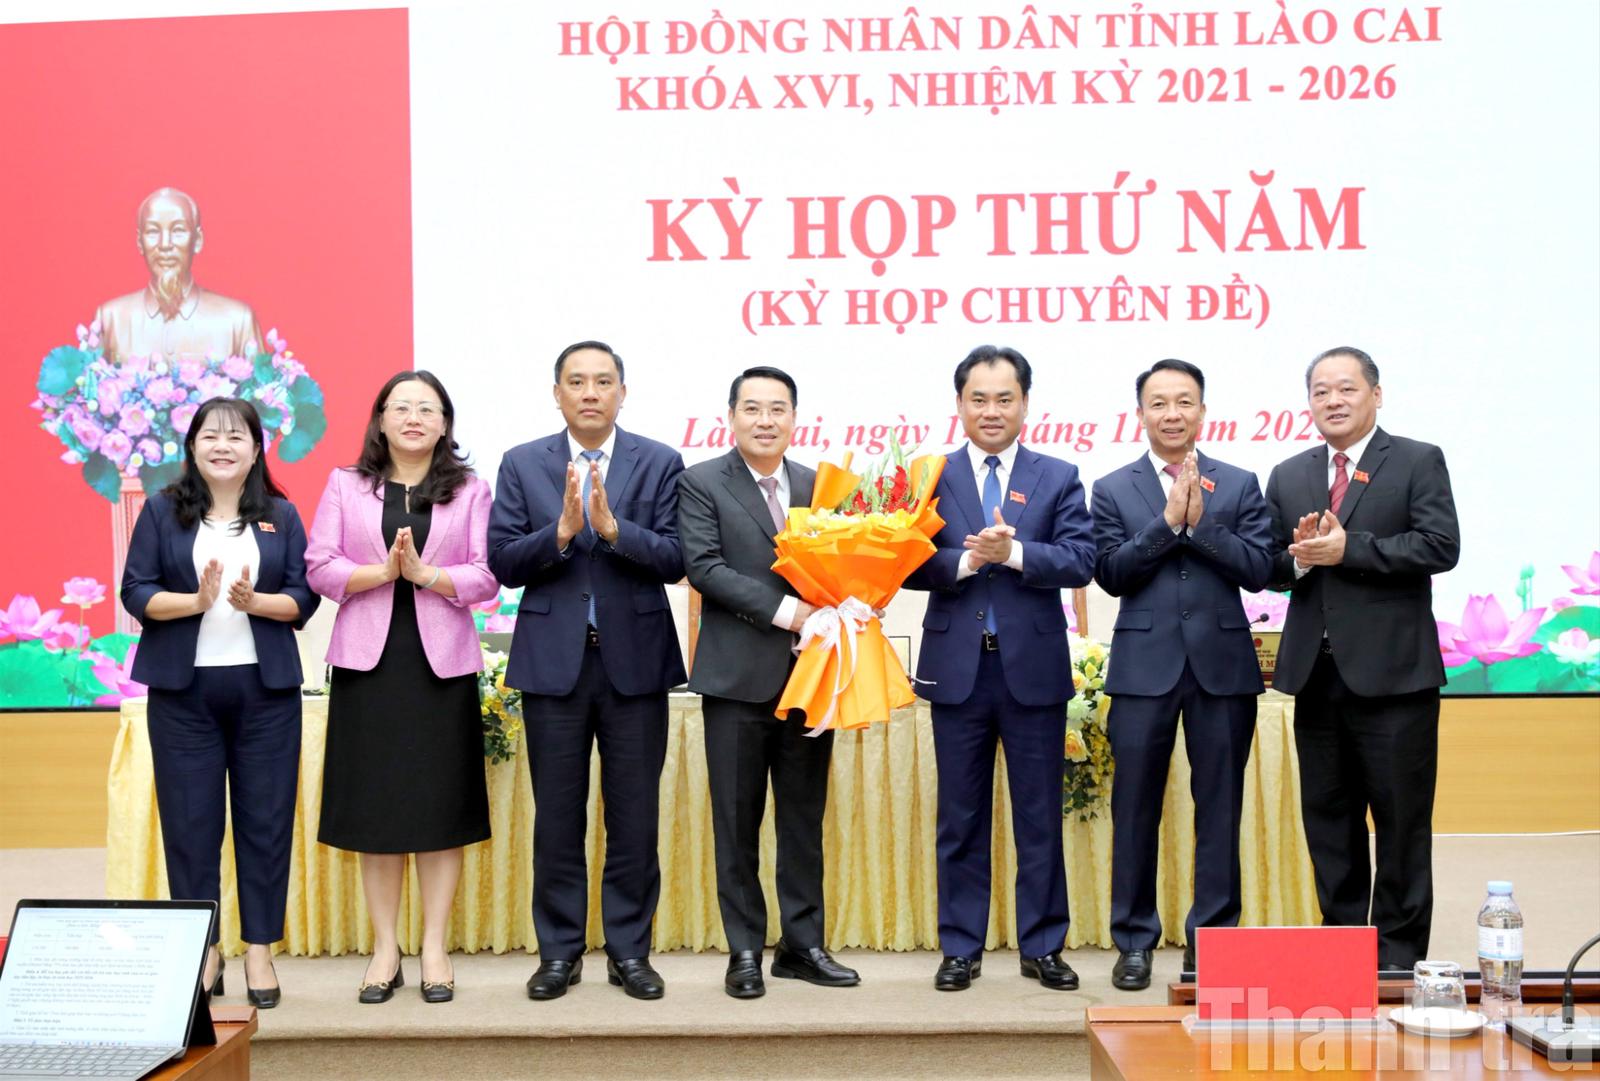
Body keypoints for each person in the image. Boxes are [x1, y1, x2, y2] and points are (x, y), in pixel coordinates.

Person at [487, 341, 686, 1001]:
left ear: (622, 392)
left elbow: (676, 559)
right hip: (554, 666)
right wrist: (562, 532)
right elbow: (503, 561)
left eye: (603, 381)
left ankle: (629, 952)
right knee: (557, 817)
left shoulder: (659, 461)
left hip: (636, 663)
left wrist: (615, 528)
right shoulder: (522, 462)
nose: (591, 392)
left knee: (634, 816)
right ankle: (560, 952)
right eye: (577, 381)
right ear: (558, 393)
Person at [904, 345, 1095, 992]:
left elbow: (1080, 559)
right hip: (957, 669)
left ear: (1025, 404)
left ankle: (1043, 945)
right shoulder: (931, 475)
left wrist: (1012, 553)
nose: (991, 410)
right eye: (978, 398)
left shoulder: (1058, 475)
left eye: (1004, 398)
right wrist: (966, 560)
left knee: (1038, 815)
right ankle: (960, 947)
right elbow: (906, 562)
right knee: (959, 818)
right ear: (959, 404)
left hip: (1032, 671)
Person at [1264, 346, 1460, 969]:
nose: (1333, 400)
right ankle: (1344, 948)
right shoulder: (1289, 474)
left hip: (1395, 678)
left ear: (1376, 394)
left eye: (1346, 388)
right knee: (1329, 820)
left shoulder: (1416, 459)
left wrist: (1352, 549)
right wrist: (1298, 560)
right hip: (1317, 678)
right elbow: (1270, 566)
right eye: (1321, 391)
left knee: (1401, 824)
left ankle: (1398, 957)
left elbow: (1440, 546)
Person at [306, 370, 497, 1004]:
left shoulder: (470, 489)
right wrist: (382, 572)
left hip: (441, 665)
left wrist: (426, 574)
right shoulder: (346, 484)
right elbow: (319, 566)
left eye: (427, 409)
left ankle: (435, 946)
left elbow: (486, 575)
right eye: (401, 407)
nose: (414, 418)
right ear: (381, 419)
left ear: (444, 424)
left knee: (440, 810)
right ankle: (386, 948)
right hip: (369, 667)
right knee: (377, 811)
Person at [120, 397, 318, 1009]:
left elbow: (303, 598)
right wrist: (197, 602)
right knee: (190, 827)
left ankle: (259, 949)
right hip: (184, 696)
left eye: (236, 437)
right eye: (211, 435)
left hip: (266, 695)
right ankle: (205, 951)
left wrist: (255, 603)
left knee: (265, 823)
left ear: (256, 450)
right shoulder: (161, 511)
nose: (223, 446)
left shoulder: (281, 515)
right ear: (192, 447)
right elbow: (136, 591)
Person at [1090, 358, 1274, 991]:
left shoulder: (1240, 483)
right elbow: (1111, 573)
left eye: (1184, 401)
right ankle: (1134, 940)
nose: (1172, 414)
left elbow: (1259, 568)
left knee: (1220, 808)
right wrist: (1167, 524)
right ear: (1140, 414)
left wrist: (1202, 524)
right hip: (1143, 669)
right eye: (1159, 403)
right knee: (1134, 808)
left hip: (1222, 668)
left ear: (1202, 411)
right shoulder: (1111, 488)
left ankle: (1213, 942)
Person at [677, 366, 860, 1000]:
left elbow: (845, 568)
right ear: (730, 417)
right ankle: (745, 950)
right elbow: (704, 567)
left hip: (812, 678)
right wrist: (793, 613)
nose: (765, 420)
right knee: (737, 821)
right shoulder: (702, 481)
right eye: (752, 408)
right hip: (736, 680)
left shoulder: (819, 486)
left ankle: (802, 946)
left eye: (777, 409)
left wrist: (857, 601)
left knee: (804, 818)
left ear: (794, 418)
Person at [94, 188, 263, 364]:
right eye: (153, 232)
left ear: (197, 240)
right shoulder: (110, 319)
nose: (165, 244)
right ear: (139, 243)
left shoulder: (237, 321)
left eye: (178, 230)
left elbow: (261, 381)